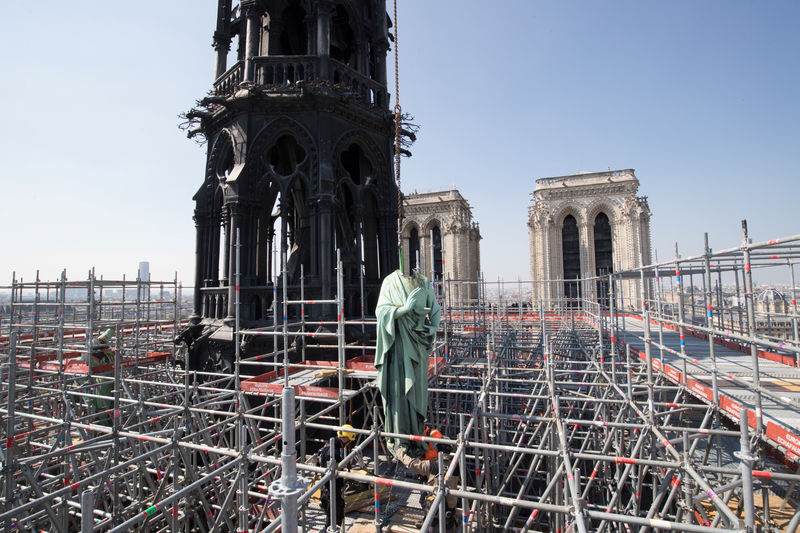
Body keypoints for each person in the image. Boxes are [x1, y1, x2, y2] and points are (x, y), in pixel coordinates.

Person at [394, 428, 459, 532]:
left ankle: (427, 524)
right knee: (448, 525)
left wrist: (398, 451)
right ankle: (428, 522)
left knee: (431, 521)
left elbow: (412, 464)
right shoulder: (456, 466)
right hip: (450, 507)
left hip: (435, 506)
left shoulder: (433, 465)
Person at [318, 424, 363, 531]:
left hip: (328, 488)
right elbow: (332, 472)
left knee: (332, 516)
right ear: (347, 438)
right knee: (334, 519)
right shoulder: (333, 452)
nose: (350, 443)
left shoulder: (331, 444)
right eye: (351, 440)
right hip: (331, 490)